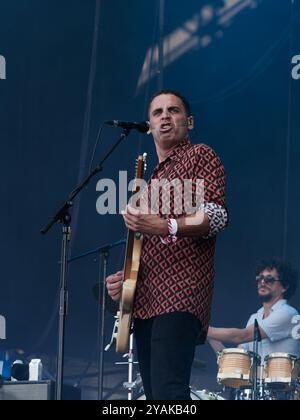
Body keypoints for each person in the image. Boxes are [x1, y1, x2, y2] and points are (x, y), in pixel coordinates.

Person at [106, 89, 228, 400]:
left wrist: (166, 225)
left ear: (189, 121)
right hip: (145, 304)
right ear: (148, 125)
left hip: (180, 295)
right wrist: (127, 280)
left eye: (173, 111)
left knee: (169, 393)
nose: (165, 117)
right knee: (155, 394)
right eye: (158, 112)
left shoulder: (200, 155)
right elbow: (146, 249)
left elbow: (216, 215)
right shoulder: (149, 184)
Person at [208, 259, 300, 360]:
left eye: (269, 279)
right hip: (257, 376)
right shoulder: (254, 318)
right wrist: (210, 337)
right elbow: (234, 361)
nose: (262, 282)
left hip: (281, 376)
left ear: (285, 287)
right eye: (260, 278)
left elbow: (242, 335)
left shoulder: (288, 313)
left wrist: (205, 330)